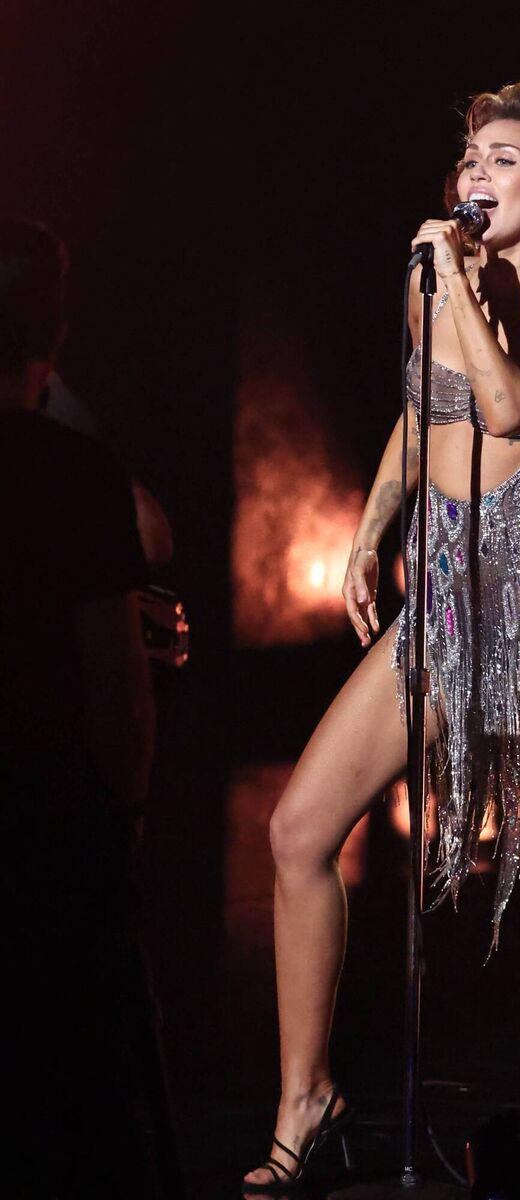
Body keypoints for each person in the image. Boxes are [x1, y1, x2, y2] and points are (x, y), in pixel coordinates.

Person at [244, 81, 520, 1200]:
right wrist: (371, 523)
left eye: (501, 161)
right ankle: (305, 1099)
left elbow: (507, 407)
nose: (473, 177)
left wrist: (464, 300)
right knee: (298, 831)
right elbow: (420, 412)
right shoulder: (436, 289)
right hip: (442, 589)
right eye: (467, 160)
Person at [0, 217, 159, 1196]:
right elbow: (120, 708)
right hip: (41, 841)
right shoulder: (74, 471)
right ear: (52, 339)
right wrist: (122, 826)